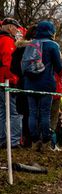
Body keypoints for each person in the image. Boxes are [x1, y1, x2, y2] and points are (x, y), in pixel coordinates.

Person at [22, 20, 62, 152]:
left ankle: (35, 139)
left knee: (32, 113)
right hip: (46, 83)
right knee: (45, 113)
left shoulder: (30, 44)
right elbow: (58, 67)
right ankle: (46, 140)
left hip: (30, 83)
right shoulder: (53, 45)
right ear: (51, 31)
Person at [0, 18, 23, 149]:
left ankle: (2, 139)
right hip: (7, 81)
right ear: (10, 27)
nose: (18, 30)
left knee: (2, 111)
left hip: (2, 81)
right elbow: (9, 63)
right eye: (16, 28)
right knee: (15, 112)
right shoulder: (7, 41)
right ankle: (14, 141)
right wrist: (14, 80)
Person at [9, 24, 34, 148]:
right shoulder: (38, 47)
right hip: (35, 83)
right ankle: (33, 139)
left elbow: (13, 66)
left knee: (24, 112)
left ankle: (25, 138)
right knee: (35, 111)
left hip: (22, 83)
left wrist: (21, 74)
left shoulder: (19, 48)